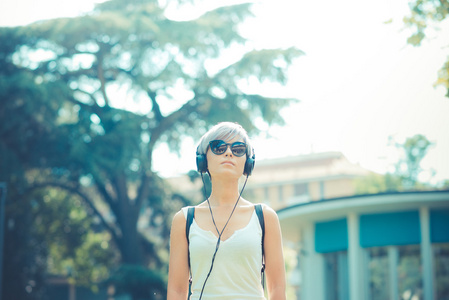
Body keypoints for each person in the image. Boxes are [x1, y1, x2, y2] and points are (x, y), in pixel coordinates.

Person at [167, 122, 286, 300]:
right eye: (218, 147)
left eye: (238, 149)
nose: (228, 153)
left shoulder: (265, 217)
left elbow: (276, 288)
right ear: (203, 160)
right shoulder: (184, 219)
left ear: (248, 162)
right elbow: (176, 291)